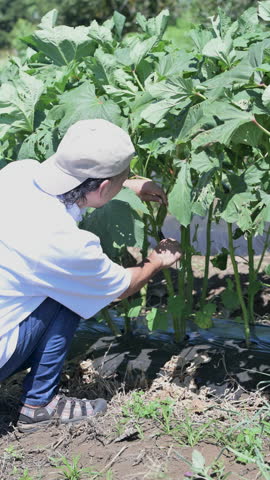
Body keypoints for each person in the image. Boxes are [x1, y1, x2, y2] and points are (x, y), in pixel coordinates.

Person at [0, 119, 181, 432]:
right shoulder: (66, 245)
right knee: (72, 293)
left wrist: (127, 184)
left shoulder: (17, 173)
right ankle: (38, 406)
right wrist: (154, 262)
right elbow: (121, 287)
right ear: (101, 187)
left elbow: (76, 188)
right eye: (120, 178)